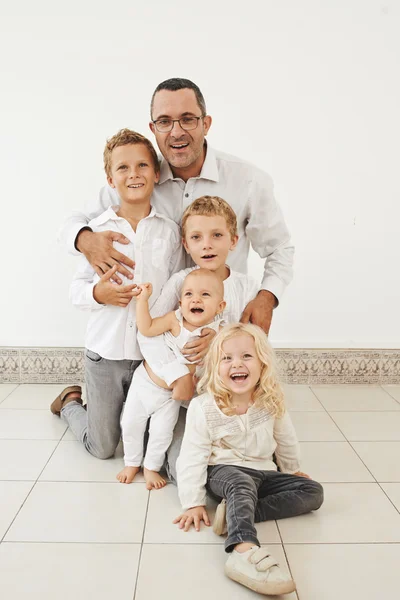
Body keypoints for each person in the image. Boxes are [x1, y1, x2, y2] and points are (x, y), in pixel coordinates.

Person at [58, 77, 294, 409]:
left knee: (224, 432)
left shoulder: (248, 181)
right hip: (159, 337)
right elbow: (73, 221)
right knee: (139, 436)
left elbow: (279, 248)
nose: (176, 131)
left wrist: (267, 297)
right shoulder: (139, 175)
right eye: (165, 122)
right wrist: (85, 240)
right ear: (153, 128)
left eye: (188, 119)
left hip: (218, 330)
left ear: (205, 123)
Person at [50, 129, 183, 459]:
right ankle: (70, 402)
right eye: (123, 168)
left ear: (156, 173)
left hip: (150, 355)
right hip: (105, 355)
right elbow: (75, 291)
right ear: (110, 179)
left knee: (155, 439)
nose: (133, 174)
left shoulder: (169, 231)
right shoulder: (97, 233)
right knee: (103, 448)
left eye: (141, 166)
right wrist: (100, 293)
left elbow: (175, 288)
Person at [174, 323, 324, 596]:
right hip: (223, 472)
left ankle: (235, 514)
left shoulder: (270, 400)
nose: (236, 364)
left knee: (313, 492)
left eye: (246, 356)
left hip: (263, 472)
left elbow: (286, 439)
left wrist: (292, 470)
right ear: (215, 367)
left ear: (262, 363)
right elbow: (192, 455)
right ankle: (243, 549)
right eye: (227, 358)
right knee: (241, 484)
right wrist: (192, 502)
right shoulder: (204, 406)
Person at [138, 195, 261, 480]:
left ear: (233, 240)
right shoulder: (181, 282)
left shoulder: (245, 286)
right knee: (180, 469)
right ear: (186, 244)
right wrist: (177, 375)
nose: (207, 244)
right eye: (197, 237)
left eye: (217, 235)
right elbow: (149, 334)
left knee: (240, 453)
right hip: (181, 393)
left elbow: (254, 341)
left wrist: (218, 339)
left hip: (223, 393)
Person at [117, 268, 225, 488]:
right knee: (130, 423)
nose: (195, 299)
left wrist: (217, 339)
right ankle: (131, 461)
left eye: (205, 295)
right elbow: (146, 329)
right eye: (189, 294)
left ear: (220, 306)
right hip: (145, 383)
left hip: (171, 397)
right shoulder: (175, 320)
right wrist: (142, 301)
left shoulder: (219, 332)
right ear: (180, 302)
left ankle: (151, 467)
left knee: (161, 433)